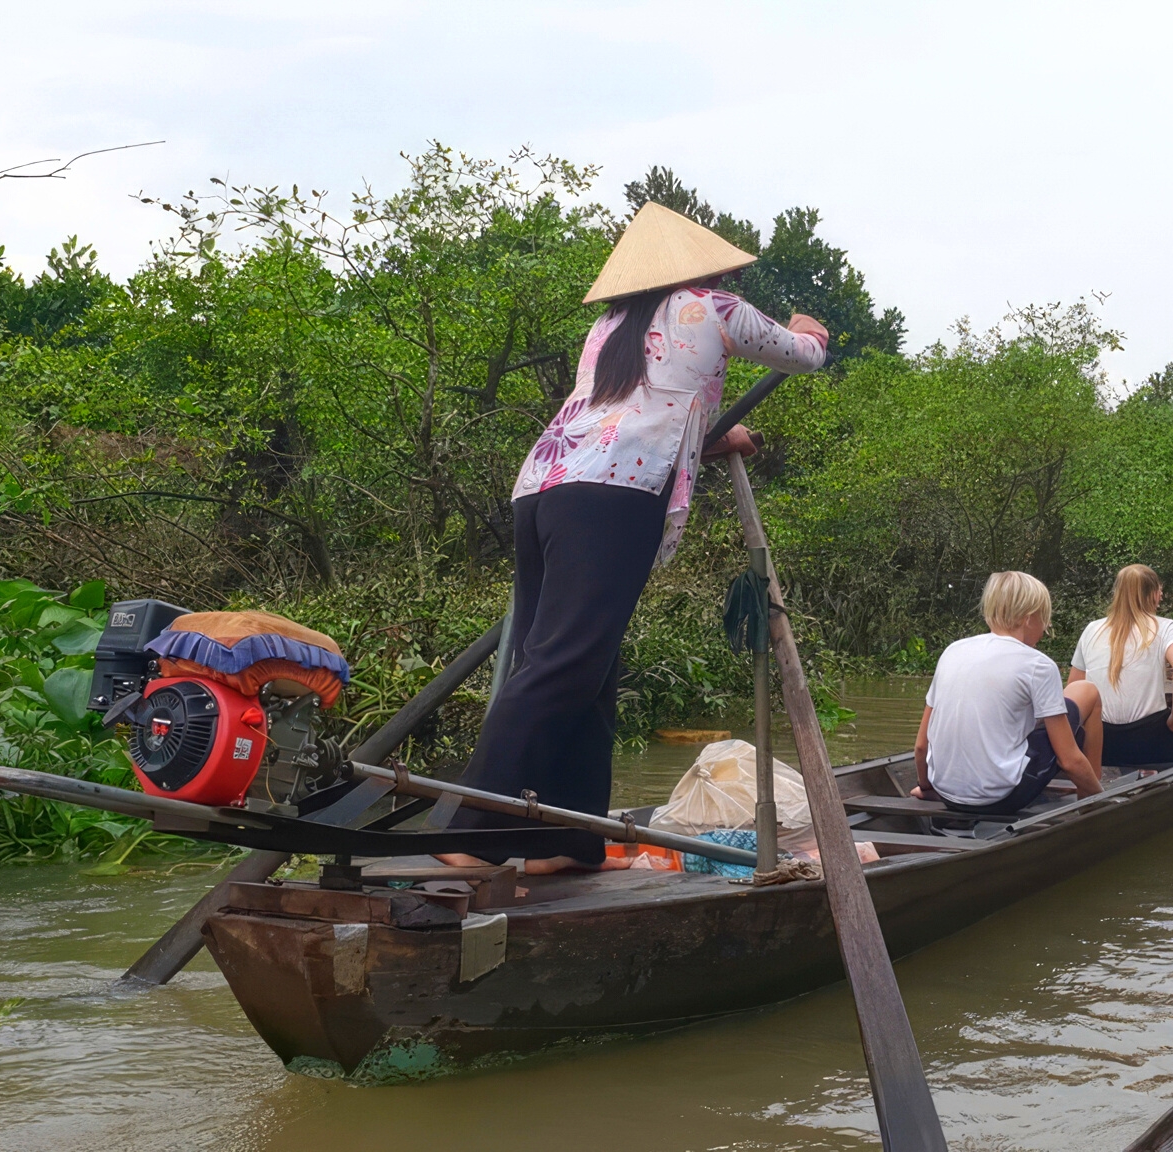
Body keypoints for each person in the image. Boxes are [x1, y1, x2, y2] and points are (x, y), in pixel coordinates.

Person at [444, 203, 828, 873]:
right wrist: (807, 330)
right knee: (563, 663)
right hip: (612, 499)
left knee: (586, 666)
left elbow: (638, 414)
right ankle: (467, 835)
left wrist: (716, 440)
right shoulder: (714, 307)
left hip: (546, 487)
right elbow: (803, 356)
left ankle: (568, 841)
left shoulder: (612, 324)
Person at [910, 571, 1104, 817]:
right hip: (1001, 799)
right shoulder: (1039, 665)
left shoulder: (953, 651)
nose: (1045, 629)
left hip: (947, 794)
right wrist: (1103, 798)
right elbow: (1069, 761)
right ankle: (1091, 802)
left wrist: (927, 787)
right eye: (1044, 619)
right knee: (1085, 696)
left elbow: (920, 747)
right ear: (1028, 617)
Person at [1067, 565, 1173, 765]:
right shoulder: (1165, 627)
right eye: (1160, 591)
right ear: (1153, 594)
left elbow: (1074, 689)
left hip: (1103, 744)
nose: (1161, 597)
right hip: (1152, 743)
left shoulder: (1091, 630)